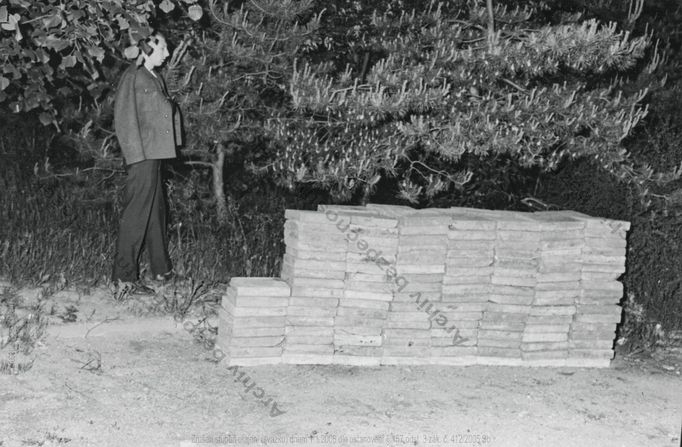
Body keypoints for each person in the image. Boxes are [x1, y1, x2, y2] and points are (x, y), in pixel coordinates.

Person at [111, 32, 183, 294]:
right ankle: (123, 278)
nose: (167, 53)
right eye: (163, 48)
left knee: (156, 212)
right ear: (148, 47)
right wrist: (135, 155)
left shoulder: (154, 77)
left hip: (155, 153)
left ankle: (162, 269)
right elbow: (124, 119)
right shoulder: (133, 76)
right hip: (142, 156)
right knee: (137, 214)